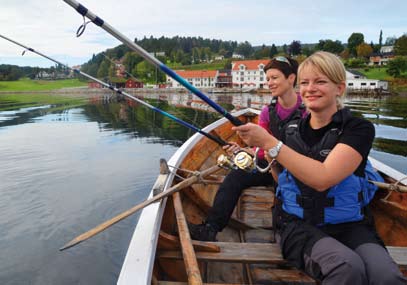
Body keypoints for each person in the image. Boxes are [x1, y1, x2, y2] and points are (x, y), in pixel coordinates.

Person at [232, 51, 406, 284]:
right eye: (305, 82)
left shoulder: (358, 129)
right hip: (298, 224)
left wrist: (269, 142)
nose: (310, 88)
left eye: (320, 81)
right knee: (347, 267)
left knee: (387, 276)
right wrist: (262, 154)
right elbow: (280, 179)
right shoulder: (289, 130)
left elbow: (323, 178)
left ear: (340, 88)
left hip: (350, 224)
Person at [189, 56, 307, 241]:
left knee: (287, 201)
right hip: (269, 166)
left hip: (299, 170)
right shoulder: (268, 112)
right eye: (267, 79)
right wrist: (244, 151)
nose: (269, 83)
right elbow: (260, 148)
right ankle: (211, 228)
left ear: (291, 78)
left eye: (274, 78)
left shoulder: (308, 109)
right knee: (234, 177)